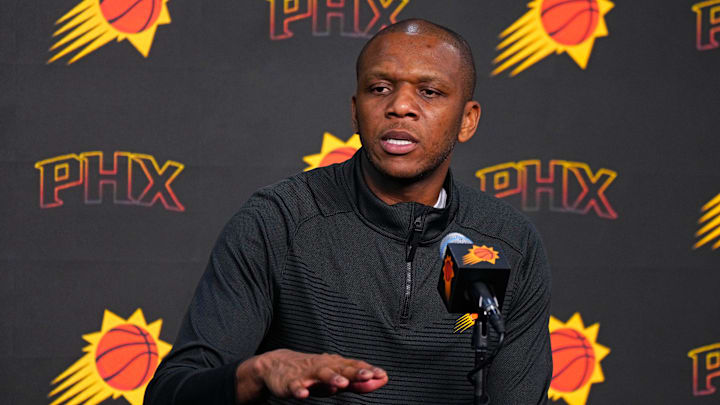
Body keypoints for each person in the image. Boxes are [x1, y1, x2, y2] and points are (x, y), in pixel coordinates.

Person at [145, 19, 552, 404]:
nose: (400, 107)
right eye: (380, 88)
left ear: (467, 120)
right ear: (356, 111)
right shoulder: (277, 221)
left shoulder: (509, 243)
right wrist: (259, 371)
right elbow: (170, 393)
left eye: (429, 92)